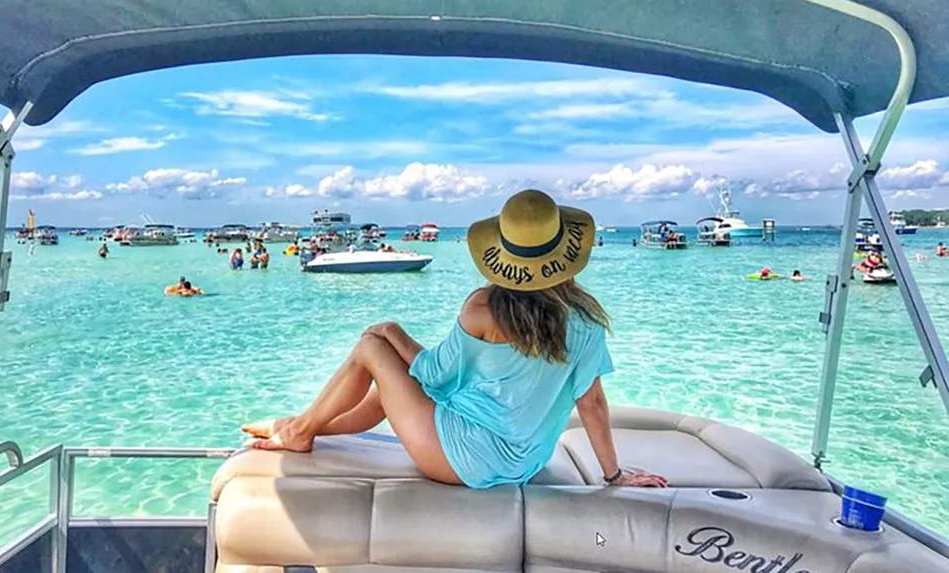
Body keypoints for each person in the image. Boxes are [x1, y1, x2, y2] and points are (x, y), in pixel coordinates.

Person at [241, 189, 667, 489]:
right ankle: (300, 426)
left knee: (374, 347)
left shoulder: (485, 307)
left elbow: (432, 370)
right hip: (524, 463)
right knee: (392, 388)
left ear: (502, 252)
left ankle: (297, 431)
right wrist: (614, 475)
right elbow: (591, 403)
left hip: (460, 460)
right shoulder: (587, 320)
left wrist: (391, 330)